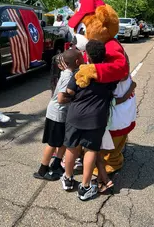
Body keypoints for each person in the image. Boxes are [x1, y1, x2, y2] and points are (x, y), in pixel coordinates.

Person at [61, 40, 117, 201]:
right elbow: (114, 89)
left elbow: (70, 91)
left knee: (72, 147)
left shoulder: (80, 71)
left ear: (88, 56)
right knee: (91, 150)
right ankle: (85, 187)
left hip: (75, 115)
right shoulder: (108, 74)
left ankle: (68, 178)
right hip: (96, 118)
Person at [33, 49, 84, 180]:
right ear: (77, 61)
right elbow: (61, 98)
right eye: (81, 57)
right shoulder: (68, 76)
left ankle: (56, 164)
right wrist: (75, 99)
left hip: (61, 113)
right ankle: (42, 169)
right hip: (57, 113)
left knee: (63, 141)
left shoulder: (68, 72)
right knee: (53, 143)